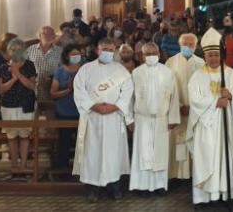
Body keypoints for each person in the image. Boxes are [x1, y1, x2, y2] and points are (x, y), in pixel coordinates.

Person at [187, 27, 233, 209]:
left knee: (225, 159)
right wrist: (215, 102)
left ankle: (224, 195)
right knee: (206, 159)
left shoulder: (230, 74)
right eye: (210, 55)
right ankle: (203, 198)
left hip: (226, 125)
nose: (213, 58)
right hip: (206, 127)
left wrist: (230, 96)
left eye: (216, 55)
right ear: (205, 56)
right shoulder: (197, 76)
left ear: (221, 55)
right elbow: (194, 99)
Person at [73, 37, 134, 202]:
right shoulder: (86, 69)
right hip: (92, 118)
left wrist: (114, 107)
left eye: (110, 50)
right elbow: (79, 91)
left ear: (114, 51)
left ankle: (114, 187)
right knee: (92, 153)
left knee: (113, 153)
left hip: (114, 118)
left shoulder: (121, 71)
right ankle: (93, 189)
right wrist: (95, 106)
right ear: (97, 50)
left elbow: (127, 92)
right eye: (104, 49)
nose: (107, 52)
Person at [129, 42, 180, 194]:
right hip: (141, 119)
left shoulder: (167, 72)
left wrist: (173, 118)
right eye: (148, 54)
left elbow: (174, 96)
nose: (151, 56)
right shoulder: (136, 73)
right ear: (142, 56)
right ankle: (141, 186)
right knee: (142, 152)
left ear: (159, 54)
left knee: (160, 152)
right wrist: (129, 119)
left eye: (154, 53)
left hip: (161, 119)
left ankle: (159, 186)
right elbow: (129, 98)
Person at [165, 33, 205, 181]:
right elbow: (167, 88)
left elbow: (204, 88)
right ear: (179, 44)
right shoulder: (170, 62)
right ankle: (176, 175)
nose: (187, 47)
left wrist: (193, 106)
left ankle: (193, 174)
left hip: (195, 111)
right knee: (178, 141)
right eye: (185, 44)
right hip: (177, 110)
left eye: (191, 45)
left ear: (195, 46)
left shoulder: (202, 63)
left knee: (194, 141)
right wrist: (179, 106)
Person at [0, 38, 38, 174]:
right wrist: (13, 79)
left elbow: (32, 86)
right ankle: (14, 165)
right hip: (8, 106)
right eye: (12, 50)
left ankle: (23, 165)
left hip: (25, 105)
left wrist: (18, 74)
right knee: (12, 137)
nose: (15, 52)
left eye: (18, 50)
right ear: (8, 51)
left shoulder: (29, 65)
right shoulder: (3, 67)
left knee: (24, 136)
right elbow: (1, 90)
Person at [50, 44, 82, 172]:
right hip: (64, 111)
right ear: (67, 56)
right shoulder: (60, 71)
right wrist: (69, 89)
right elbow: (53, 93)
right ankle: (62, 168)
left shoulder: (85, 69)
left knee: (82, 141)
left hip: (81, 111)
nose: (76, 57)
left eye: (78, 54)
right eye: (73, 54)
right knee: (64, 141)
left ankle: (81, 167)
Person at [26, 26, 63, 101]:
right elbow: (23, 68)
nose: (49, 36)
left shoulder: (60, 51)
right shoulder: (30, 50)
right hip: (33, 87)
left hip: (51, 87)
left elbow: (63, 70)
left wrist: (53, 77)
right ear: (39, 36)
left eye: (52, 34)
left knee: (49, 110)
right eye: (46, 34)